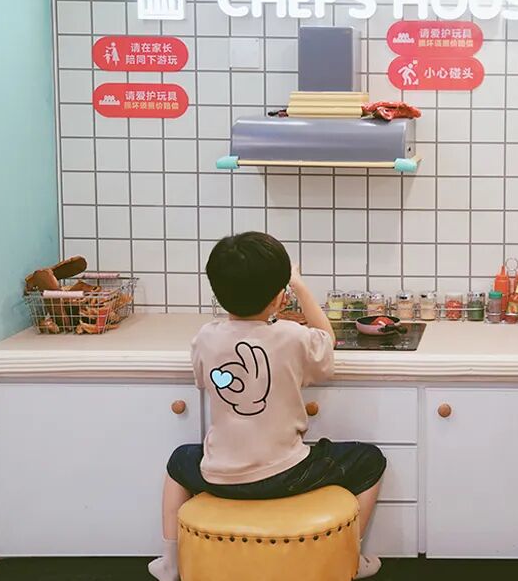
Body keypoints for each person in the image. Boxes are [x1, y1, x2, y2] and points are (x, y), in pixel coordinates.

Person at [148, 232, 386, 581]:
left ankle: (170, 561)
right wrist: (300, 284)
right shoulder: (292, 336)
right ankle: (351, 558)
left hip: (219, 475)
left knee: (177, 461)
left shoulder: (205, 338)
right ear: (279, 297)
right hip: (286, 475)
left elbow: (202, 379)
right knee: (370, 459)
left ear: (218, 292)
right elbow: (328, 340)